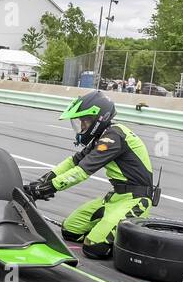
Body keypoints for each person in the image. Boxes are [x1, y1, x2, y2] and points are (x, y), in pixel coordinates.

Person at [24, 91, 157, 259]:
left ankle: (123, 237)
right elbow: (73, 162)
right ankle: (108, 226)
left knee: (95, 248)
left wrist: (50, 187)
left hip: (135, 200)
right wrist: (43, 180)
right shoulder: (102, 136)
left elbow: (82, 171)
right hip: (115, 197)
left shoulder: (113, 137)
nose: (82, 127)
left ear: (98, 118)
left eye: (85, 121)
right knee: (70, 231)